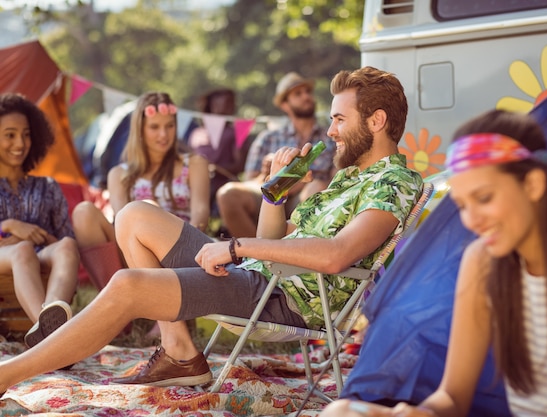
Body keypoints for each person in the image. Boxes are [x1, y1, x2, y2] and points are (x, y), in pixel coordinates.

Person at [0, 66, 422, 393]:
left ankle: (9, 374)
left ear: (376, 121)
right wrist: (275, 193)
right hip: (260, 276)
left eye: (339, 120)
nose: (330, 131)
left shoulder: (393, 183)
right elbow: (279, 240)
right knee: (133, 214)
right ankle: (180, 352)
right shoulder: (349, 179)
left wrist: (236, 248)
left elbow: (336, 255)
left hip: (281, 297)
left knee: (129, 285)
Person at [320, 110, 547, 417]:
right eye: (463, 205)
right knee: (342, 411)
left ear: (533, 184)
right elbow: (453, 397)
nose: (471, 220)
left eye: (484, 198)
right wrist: (418, 413)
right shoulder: (483, 261)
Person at [71, 92, 211, 290]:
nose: (164, 134)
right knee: (83, 212)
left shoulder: (194, 163)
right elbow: (122, 227)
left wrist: (184, 250)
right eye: (155, 127)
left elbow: (201, 215)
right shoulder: (119, 173)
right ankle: (117, 298)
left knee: (146, 209)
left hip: (182, 249)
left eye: (169, 126)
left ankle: (162, 301)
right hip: (134, 250)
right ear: (140, 129)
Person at [0, 93, 79, 349]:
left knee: (67, 245)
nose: (20, 143)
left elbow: (65, 237)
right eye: (10, 134)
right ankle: (54, 343)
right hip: (5, 258)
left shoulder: (47, 186)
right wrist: (9, 226)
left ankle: (48, 321)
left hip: (41, 255)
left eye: (26, 134)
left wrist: (43, 237)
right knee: (21, 250)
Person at [216, 71, 336, 237]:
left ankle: (289, 254)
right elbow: (250, 181)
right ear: (284, 105)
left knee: (317, 188)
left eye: (308, 91)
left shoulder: (331, 137)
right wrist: (271, 174)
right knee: (227, 194)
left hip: (307, 198)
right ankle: (255, 255)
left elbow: (337, 180)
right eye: (297, 94)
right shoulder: (267, 138)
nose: (306, 96)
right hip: (270, 195)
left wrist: (303, 181)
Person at [187, 88, 245, 209]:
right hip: (194, 184)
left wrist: (215, 169)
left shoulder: (237, 131)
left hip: (223, 186)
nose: (231, 106)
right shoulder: (197, 133)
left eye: (232, 103)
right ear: (213, 105)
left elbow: (240, 165)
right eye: (227, 102)